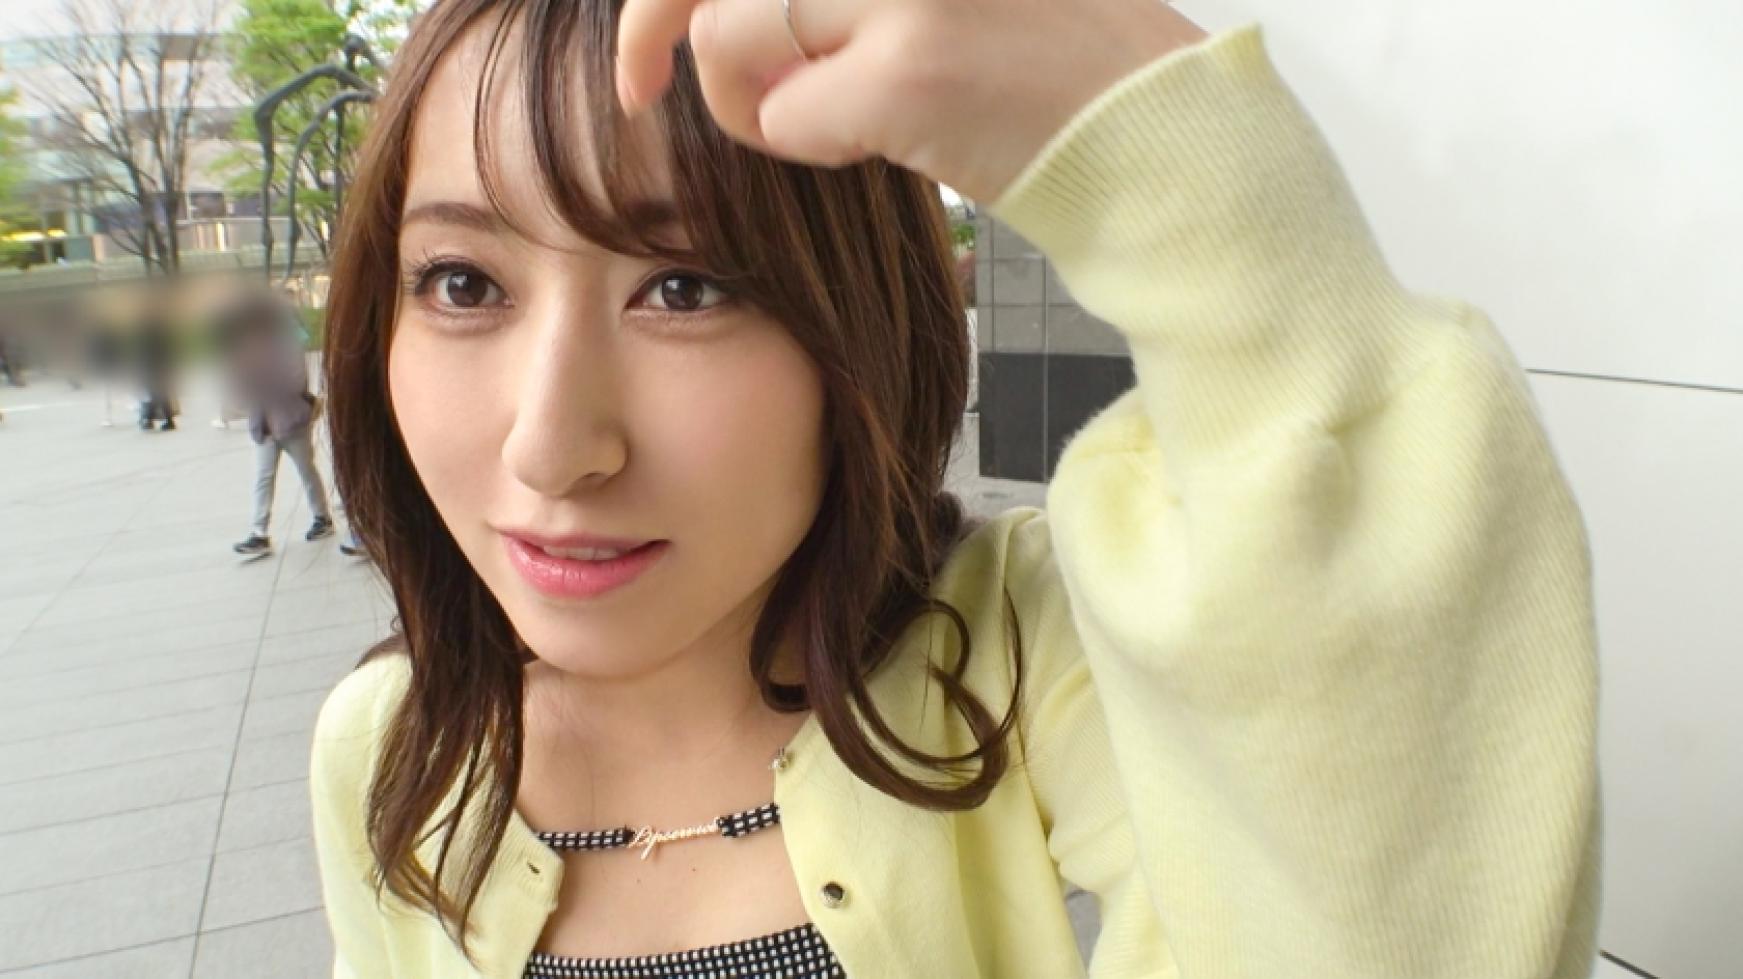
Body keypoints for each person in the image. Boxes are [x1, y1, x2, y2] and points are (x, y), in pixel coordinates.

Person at [310, 1, 1600, 977]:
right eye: (463, 284)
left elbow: (1396, 910)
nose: (550, 448)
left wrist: (1170, 154)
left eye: (686, 287)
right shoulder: (390, 748)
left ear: (857, 326)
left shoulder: (1015, 659)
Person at [224, 289, 336, 556]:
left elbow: (296, 382)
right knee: (263, 477)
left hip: (291, 420)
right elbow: (239, 392)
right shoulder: (243, 349)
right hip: (263, 425)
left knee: (306, 470)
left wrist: (261, 377)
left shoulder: (286, 342)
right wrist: (243, 377)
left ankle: (322, 517)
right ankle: (259, 532)